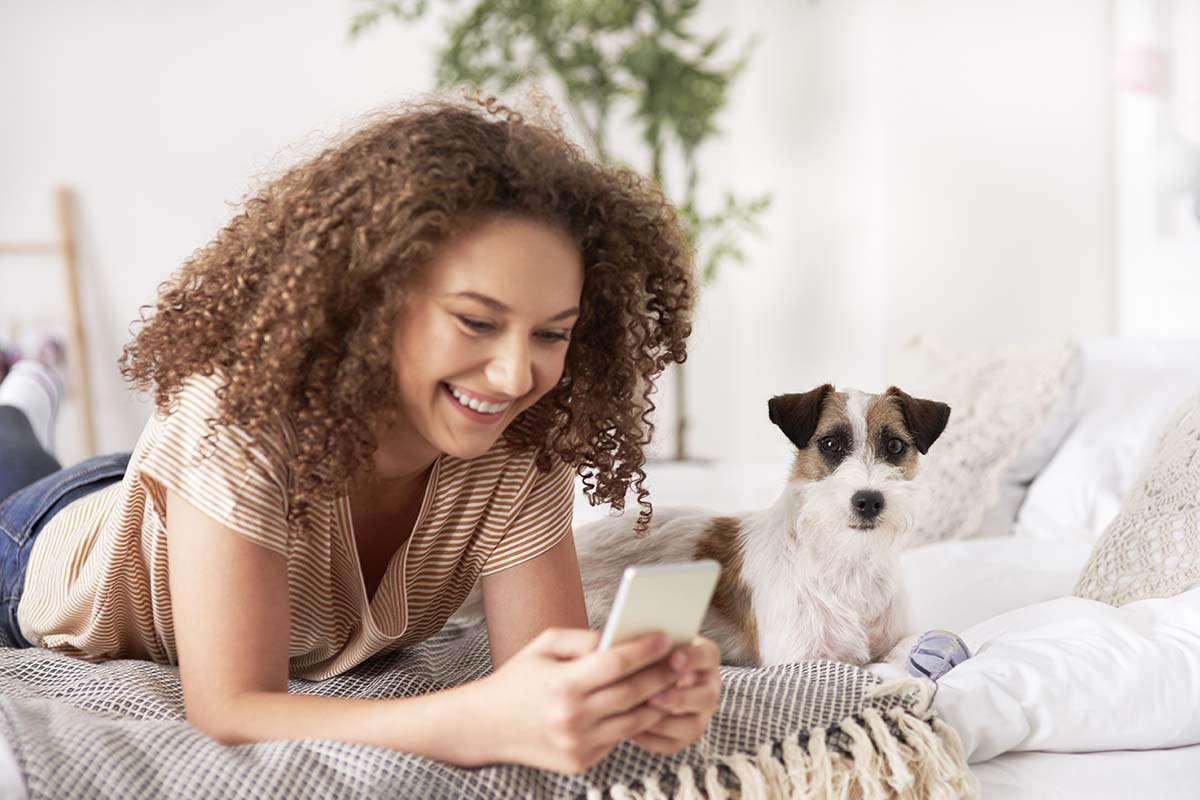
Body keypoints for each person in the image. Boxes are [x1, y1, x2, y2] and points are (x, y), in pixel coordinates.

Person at [0, 96, 720, 774]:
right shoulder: (235, 417)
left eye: (551, 333)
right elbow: (230, 710)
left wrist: (626, 701)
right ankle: (23, 404)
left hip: (194, 504)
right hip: (50, 539)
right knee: (14, 455)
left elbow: (541, 672)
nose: (511, 375)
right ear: (375, 297)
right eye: (476, 321)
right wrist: (474, 721)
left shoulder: (522, 451)